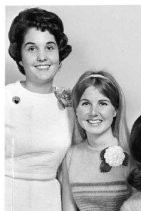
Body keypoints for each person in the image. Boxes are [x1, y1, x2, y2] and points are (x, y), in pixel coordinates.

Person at [5, 7, 73, 211]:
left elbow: (69, 170)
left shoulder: (72, 102)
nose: (42, 57)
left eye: (50, 47)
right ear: (19, 57)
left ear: (59, 54)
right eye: (32, 48)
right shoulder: (5, 98)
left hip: (50, 201)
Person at [62, 70, 132, 211]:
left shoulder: (131, 152)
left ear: (115, 110)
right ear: (76, 110)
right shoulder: (70, 156)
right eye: (86, 103)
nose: (93, 112)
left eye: (103, 103)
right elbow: (68, 208)